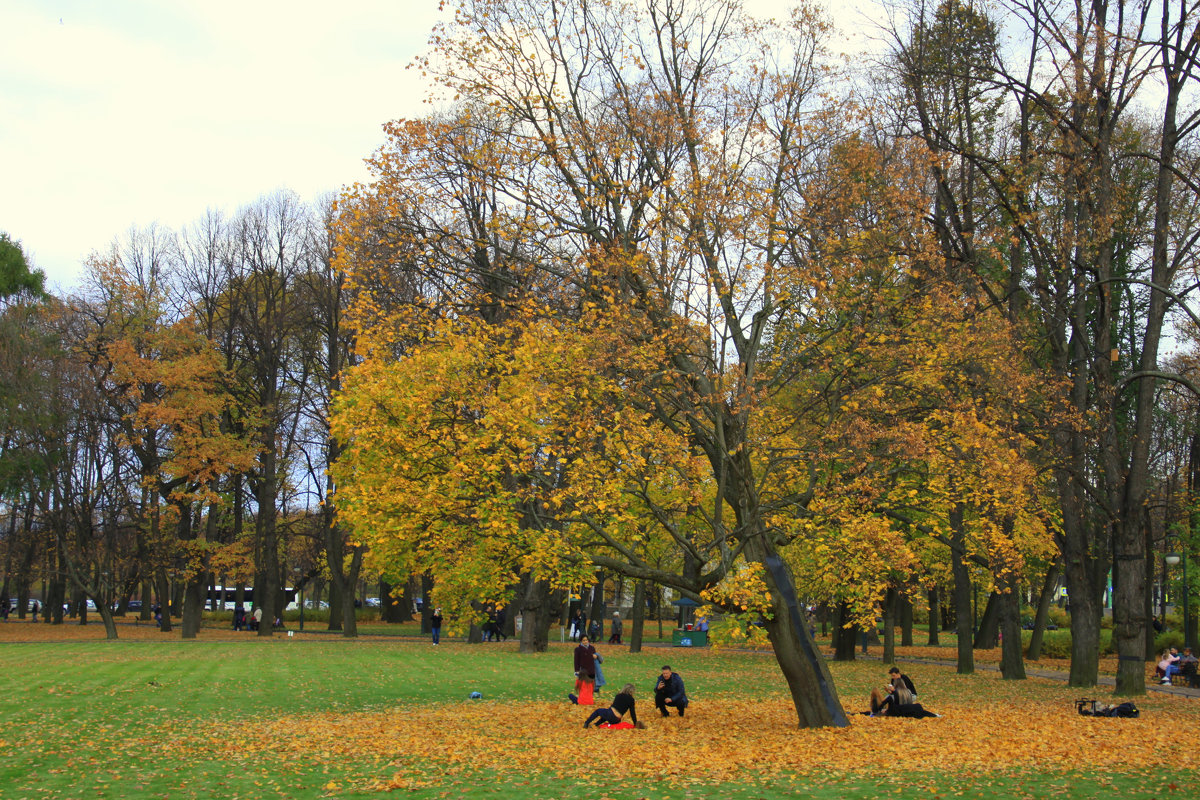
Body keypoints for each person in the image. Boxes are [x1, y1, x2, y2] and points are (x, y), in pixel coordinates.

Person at [868, 686, 939, 718]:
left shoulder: (887, 700)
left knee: (921, 711)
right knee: (921, 711)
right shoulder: (889, 699)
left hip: (898, 710)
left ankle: (935, 715)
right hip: (900, 710)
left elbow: (883, 704)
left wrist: (882, 710)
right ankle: (935, 715)